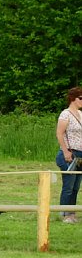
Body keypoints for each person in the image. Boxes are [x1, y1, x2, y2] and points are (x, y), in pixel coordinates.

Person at [55, 86, 82, 224]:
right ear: (73, 98)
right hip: (69, 154)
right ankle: (65, 213)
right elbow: (59, 133)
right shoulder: (65, 114)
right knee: (68, 186)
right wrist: (65, 151)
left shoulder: (81, 114)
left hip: (80, 155)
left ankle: (72, 213)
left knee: (76, 186)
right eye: (81, 98)